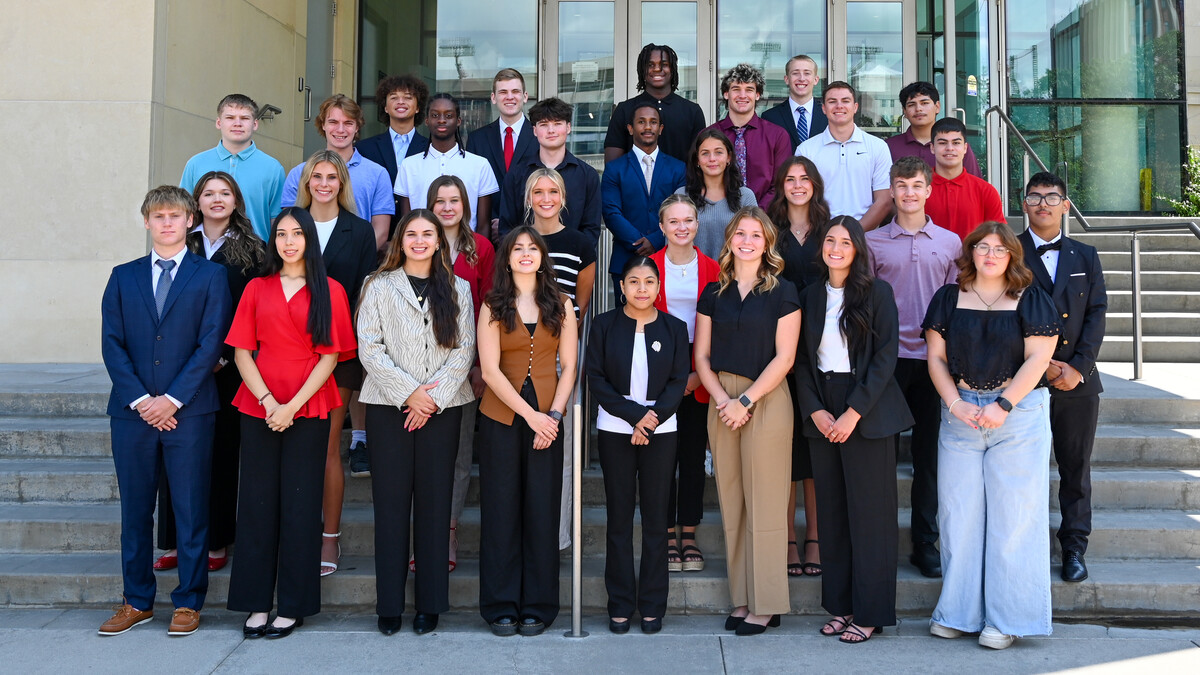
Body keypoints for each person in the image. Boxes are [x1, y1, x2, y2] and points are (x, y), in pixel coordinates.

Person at [98, 186, 231, 637]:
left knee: (191, 510)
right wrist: (142, 401)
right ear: (147, 222)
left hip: (189, 412)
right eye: (159, 216)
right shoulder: (122, 276)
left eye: (176, 215)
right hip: (131, 413)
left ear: (191, 220)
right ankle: (136, 600)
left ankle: (189, 602)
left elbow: (210, 343)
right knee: (135, 512)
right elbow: (112, 344)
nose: (168, 223)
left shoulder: (210, 276)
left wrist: (171, 400)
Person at [923, 221, 1060, 650]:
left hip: (1017, 417)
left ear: (1012, 256)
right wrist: (954, 403)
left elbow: (1039, 358)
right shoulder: (948, 297)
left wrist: (1003, 405)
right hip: (960, 413)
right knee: (958, 516)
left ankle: (1007, 619)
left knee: (1014, 520)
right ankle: (958, 613)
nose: (990, 255)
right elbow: (936, 358)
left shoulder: (1031, 298)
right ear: (971, 252)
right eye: (982, 247)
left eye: (999, 249)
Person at [225, 207, 356, 639]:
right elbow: (242, 351)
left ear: (308, 240)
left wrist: (291, 406)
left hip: (310, 403)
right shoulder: (256, 288)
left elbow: (330, 355)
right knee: (258, 505)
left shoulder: (329, 289)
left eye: (297, 233)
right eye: (281, 234)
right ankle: (256, 603)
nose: (288, 241)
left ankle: (294, 604)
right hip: (258, 403)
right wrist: (267, 401)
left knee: (300, 508)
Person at [357, 209, 477, 636]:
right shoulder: (377, 285)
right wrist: (410, 393)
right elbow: (369, 348)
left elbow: (465, 350)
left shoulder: (458, 287)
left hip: (442, 410)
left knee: (433, 505)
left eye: (429, 234)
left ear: (439, 242)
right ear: (400, 241)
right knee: (390, 507)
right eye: (412, 234)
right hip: (389, 408)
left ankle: (430, 604)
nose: (420, 240)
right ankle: (389, 603)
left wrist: (431, 398)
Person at [794, 215, 913, 644]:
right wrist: (816, 412)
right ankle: (841, 607)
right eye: (830, 240)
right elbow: (802, 361)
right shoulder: (808, 296)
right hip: (822, 405)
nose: (837, 248)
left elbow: (885, 358)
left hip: (868, 408)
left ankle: (870, 613)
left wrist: (852, 413)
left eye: (846, 241)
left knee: (871, 517)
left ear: (858, 248)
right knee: (832, 515)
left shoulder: (877, 293)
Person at [694, 207, 801, 636]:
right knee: (733, 500)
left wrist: (745, 400)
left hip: (767, 399)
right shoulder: (711, 292)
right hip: (722, 402)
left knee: (767, 502)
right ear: (730, 239)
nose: (748, 241)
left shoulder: (784, 292)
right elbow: (700, 356)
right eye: (741, 233)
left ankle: (768, 602)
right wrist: (724, 400)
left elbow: (786, 357)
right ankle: (743, 597)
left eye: (757, 235)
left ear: (767, 243)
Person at [154, 173, 265, 574]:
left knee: (218, 455)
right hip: (177, 369)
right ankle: (175, 540)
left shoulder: (254, 250)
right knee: (174, 452)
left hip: (229, 369)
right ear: (195, 202)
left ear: (237, 200)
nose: (217, 199)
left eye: (225, 193)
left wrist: (220, 356)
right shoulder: (181, 243)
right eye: (208, 193)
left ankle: (216, 539)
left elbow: (250, 311)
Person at [477, 226, 579, 637]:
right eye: (516, 248)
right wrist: (531, 415)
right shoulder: (492, 305)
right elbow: (489, 371)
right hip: (502, 420)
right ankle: (501, 605)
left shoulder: (562, 304)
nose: (524, 254)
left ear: (542, 257)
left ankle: (538, 605)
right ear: (506, 257)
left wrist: (552, 416)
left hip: (548, 424)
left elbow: (570, 366)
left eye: (531, 248)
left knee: (542, 511)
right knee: (501, 512)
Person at [865, 157, 961, 580]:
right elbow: (863, 306)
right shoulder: (873, 243)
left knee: (928, 459)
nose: (908, 193)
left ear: (928, 190)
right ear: (892, 191)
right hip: (888, 363)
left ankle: (926, 542)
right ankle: (879, 540)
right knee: (881, 458)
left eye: (916, 186)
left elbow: (959, 304)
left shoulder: (951, 242)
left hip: (933, 363)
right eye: (901, 186)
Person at [587, 256, 690, 634]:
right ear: (621, 287)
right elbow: (596, 378)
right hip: (616, 429)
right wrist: (634, 417)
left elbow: (679, 380)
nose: (641, 289)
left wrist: (651, 420)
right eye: (633, 281)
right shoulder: (604, 325)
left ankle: (651, 606)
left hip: (662, 432)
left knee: (655, 521)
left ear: (659, 287)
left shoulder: (675, 328)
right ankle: (619, 604)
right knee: (618, 519)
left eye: (649, 281)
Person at [1017, 172, 1107, 583]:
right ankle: (1025, 547)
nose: (1043, 204)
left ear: (1066, 205)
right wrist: (1046, 364)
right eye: (1034, 197)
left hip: (1078, 379)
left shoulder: (1085, 255)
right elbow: (1000, 313)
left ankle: (1074, 547)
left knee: (1075, 466)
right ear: (1024, 204)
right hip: (1024, 379)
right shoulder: (1010, 251)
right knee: (1023, 469)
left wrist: (1079, 367)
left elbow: (1096, 313)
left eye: (1052, 197)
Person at [293, 150, 379, 576]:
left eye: (331, 177)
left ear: (341, 182)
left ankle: (330, 538)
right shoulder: (292, 223)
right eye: (317, 176)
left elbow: (364, 292)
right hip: (288, 351)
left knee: (326, 445)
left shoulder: (359, 230)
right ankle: (294, 534)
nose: (323, 184)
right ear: (306, 180)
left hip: (340, 351)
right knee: (293, 449)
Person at [427, 175, 496, 572]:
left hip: (466, 366)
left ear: (465, 205)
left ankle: (448, 533)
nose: (447, 208)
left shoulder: (481, 248)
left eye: (454, 200)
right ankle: (424, 533)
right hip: (419, 368)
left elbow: (488, 305)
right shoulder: (417, 240)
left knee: (457, 454)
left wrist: (480, 366)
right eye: (440, 201)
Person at [765, 156, 830, 577]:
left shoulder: (830, 230)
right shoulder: (771, 232)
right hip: (779, 348)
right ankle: (788, 538)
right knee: (787, 452)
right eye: (790, 179)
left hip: (824, 348)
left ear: (815, 185)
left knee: (816, 449)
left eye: (805, 178)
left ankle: (816, 538)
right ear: (780, 185)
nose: (797, 185)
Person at [650, 195, 720, 574]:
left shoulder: (713, 268)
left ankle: (688, 532)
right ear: (662, 227)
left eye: (687, 221)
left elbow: (721, 327)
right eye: (673, 221)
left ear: (697, 225)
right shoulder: (648, 267)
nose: (681, 227)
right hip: (657, 367)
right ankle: (661, 530)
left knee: (692, 454)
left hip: (699, 368)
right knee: (660, 457)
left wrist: (696, 376)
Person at [282, 95, 395, 250]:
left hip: (356, 266)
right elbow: (288, 225)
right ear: (323, 125)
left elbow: (381, 231)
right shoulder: (299, 173)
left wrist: (356, 260)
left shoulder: (377, 174)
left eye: (348, 123)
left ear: (357, 127)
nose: (340, 129)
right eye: (333, 122)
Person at [602, 104, 687, 301]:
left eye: (653, 122)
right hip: (625, 259)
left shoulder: (678, 168)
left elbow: (682, 210)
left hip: (668, 258)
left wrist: (656, 240)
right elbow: (611, 212)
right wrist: (639, 243)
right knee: (626, 326)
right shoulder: (615, 169)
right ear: (630, 128)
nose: (647, 127)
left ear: (661, 128)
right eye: (641, 122)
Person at [180, 94, 286, 240]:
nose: (237, 123)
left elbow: (276, 220)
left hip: (255, 256)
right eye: (230, 118)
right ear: (219, 122)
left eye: (244, 118)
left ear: (255, 124)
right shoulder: (196, 164)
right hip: (202, 255)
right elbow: (183, 212)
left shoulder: (273, 168)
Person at [499, 97, 603, 244]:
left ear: (568, 127)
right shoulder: (517, 174)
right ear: (534, 130)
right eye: (544, 124)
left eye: (557, 123)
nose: (551, 130)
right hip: (526, 261)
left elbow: (591, 229)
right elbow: (507, 228)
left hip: (573, 262)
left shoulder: (588, 176)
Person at [395, 93, 498, 235]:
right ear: (426, 120)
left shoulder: (480, 165)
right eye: (435, 115)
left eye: (448, 116)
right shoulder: (409, 165)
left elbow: (483, 225)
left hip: (466, 251)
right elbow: (406, 223)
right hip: (422, 249)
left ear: (458, 121)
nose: (442, 120)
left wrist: (475, 256)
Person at [797, 81, 892, 230]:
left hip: (865, 237)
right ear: (823, 108)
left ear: (855, 107)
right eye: (832, 101)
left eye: (845, 101)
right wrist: (829, 235)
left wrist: (854, 234)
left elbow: (884, 201)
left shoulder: (878, 147)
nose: (839, 106)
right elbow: (800, 200)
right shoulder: (806, 150)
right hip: (820, 236)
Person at [604, 43, 707, 164]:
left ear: (673, 69)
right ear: (642, 70)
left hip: (681, 183)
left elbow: (699, 160)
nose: (657, 69)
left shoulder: (692, 111)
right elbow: (612, 165)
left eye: (664, 64)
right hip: (634, 183)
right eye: (650, 65)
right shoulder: (624, 110)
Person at [707, 63, 792, 208]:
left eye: (749, 90)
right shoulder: (708, 136)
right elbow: (701, 180)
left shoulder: (777, 136)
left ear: (757, 95)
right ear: (726, 94)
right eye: (736, 89)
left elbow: (781, 183)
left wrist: (756, 214)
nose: (742, 95)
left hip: (765, 219)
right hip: (718, 217)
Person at [466, 69, 539, 232]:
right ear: (494, 98)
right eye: (503, 92)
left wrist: (509, 225)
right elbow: (472, 188)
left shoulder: (539, 137)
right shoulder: (477, 139)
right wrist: (489, 223)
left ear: (525, 96)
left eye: (515, 91)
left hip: (530, 232)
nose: (510, 97)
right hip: (487, 232)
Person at [524, 168, 597, 322]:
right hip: (519, 336)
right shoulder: (516, 242)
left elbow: (581, 307)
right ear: (528, 199)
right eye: (538, 192)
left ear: (562, 196)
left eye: (553, 191)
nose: (546, 199)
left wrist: (565, 340)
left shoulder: (580, 244)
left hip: (563, 334)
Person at [356, 74, 432, 218]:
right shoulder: (364, 149)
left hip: (418, 226)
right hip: (375, 227)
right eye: (394, 97)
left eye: (408, 97)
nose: (401, 102)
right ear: (385, 107)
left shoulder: (431, 148)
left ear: (418, 107)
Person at [676, 129, 757, 260]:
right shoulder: (682, 196)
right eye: (705, 153)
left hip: (734, 276)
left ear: (728, 157)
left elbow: (755, 243)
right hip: (693, 276)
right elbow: (672, 246)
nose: (712, 159)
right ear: (697, 159)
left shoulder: (745, 197)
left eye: (718, 152)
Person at [924, 117, 1006, 240]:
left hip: (971, 258)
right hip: (927, 259)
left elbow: (998, 236)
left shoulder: (985, 191)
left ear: (965, 148)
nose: (950, 148)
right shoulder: (918, 187)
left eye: (956, 143)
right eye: (942, 143)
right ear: (932, 148)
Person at [885, 82, 981, 177]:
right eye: (911, 105)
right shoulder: (888, 147)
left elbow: (975, 185)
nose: (918, 109)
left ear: (937, 106)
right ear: (904, 111)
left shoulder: (955, 146)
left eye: (925, 103)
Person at [761, 55, 829, 152]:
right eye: (795, 73)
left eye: (807, 73)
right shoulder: (770, 118)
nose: (801, 78)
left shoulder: (828, 115)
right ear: (786, 79)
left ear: (816, 80)